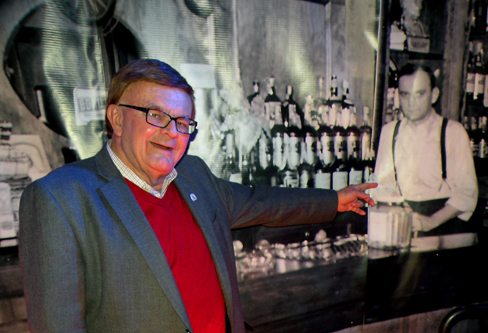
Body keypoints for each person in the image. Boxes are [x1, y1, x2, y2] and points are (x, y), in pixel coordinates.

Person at [19, 59, 377, 333]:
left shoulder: (194, 175)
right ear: (116, 118)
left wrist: (334, 199)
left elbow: (261, 201)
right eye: (155, 115)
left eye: (182, 122)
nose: (171, 133)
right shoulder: (59, 199)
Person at [374, 63, 478, 236]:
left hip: (445, 227)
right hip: (405, 224)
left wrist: (432, 221)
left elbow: (467, 193)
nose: (411, 103)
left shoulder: (453, 132)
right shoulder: (389, 132)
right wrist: (401, 211)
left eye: (419, 94)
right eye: (405, 95)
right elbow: (382, 186)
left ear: (434, 95)